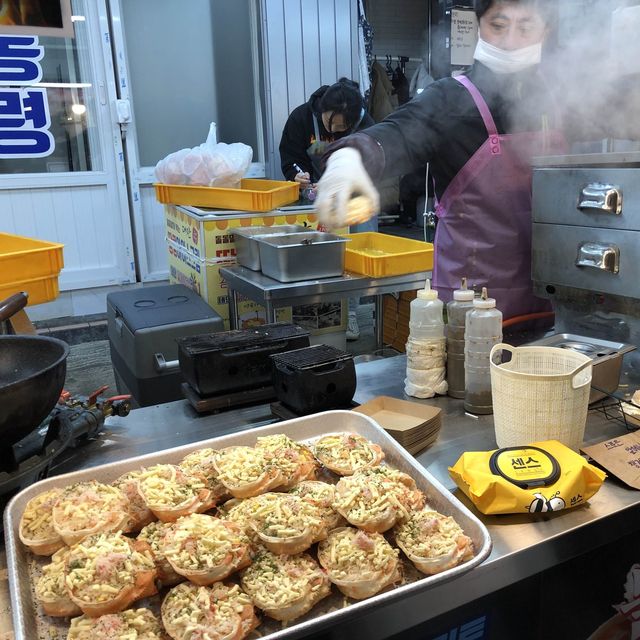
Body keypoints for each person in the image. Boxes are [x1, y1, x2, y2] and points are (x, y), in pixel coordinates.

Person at [315, 0, 564, 322]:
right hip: (470, 302)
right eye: (498, 25)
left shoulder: (564, 98)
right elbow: (398, 132)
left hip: (557, 301)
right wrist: (350, 158)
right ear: (478, 26)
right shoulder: (451, 99)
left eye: (526, 27)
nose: (510, 40)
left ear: (547, 31)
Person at [280, 78, 377, 340]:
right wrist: (296, 174)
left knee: (354, 252)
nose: (334, 131)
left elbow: (375, 160)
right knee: (316, 255)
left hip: (353, 196)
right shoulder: (301, 118)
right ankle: (310, 314)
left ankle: (350, 312)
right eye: (330, 124)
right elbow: (290, 157)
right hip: (314, 196)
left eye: (342, 128)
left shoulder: (366, 124)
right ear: (322, 109)